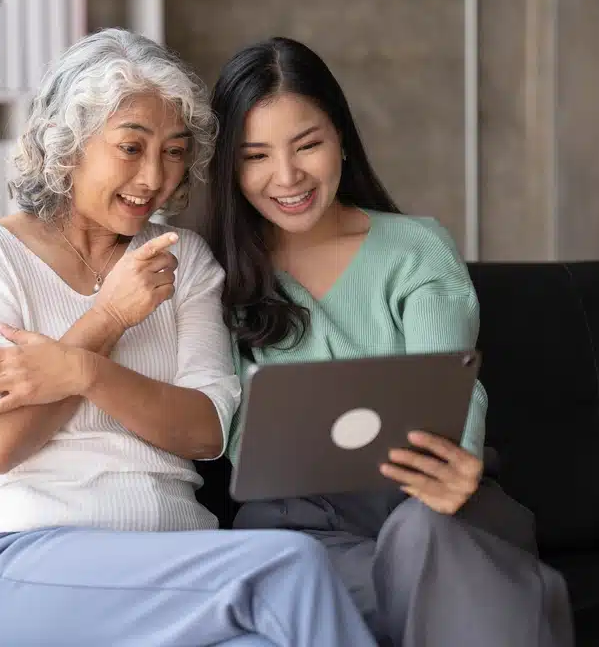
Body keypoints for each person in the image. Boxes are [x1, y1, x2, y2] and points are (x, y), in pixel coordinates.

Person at [0, 28, 377, 647]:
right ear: (69, 147)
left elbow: (207, 432)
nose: (154, 177)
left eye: (173, 152)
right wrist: (109, 318)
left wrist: (83, 372)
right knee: (292, 565)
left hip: (181, 569)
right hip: (28, 567)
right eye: (130, 147)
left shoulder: (182, 259)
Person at [203, 36, 576, 647]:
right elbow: (224, 427)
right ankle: (520, 598)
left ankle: (503, 592)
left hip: (435, 497)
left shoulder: (415, 249)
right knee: (335, 580)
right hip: (304, 529)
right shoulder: (215, 274)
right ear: (229, 168)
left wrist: (458, 464)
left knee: (423, 537)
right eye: (256, 156)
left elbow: (452, 382)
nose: (287, 176)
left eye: (308, 145)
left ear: (342, 140)